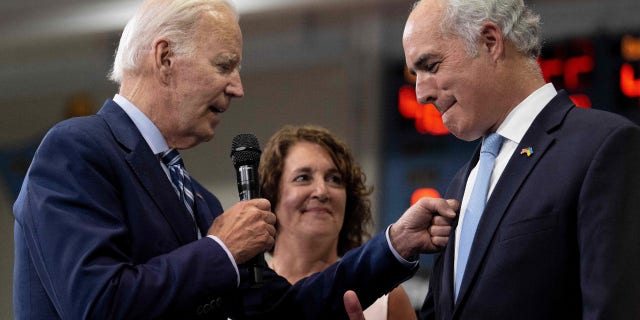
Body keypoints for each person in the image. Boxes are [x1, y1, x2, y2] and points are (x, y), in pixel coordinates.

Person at [12, 0, 457, 318]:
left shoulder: (199, 200)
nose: (238, 87)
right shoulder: (78, 149)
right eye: (224, 66)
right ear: (165, 57)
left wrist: (394, 245)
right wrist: (220, 250)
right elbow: (96, 305)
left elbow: (280, 308)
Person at [346, 0, 640, 319]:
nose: (420, 94)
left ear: (490, 42)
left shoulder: (602, 147)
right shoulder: (461, 184)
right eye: (414, 74)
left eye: (430, 66)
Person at [259, 125, 417, 320]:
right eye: (303, 178)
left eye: (334, 179)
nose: (322, 191)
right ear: (271, 196)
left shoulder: (387, 300)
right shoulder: (244, 297)